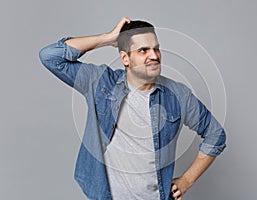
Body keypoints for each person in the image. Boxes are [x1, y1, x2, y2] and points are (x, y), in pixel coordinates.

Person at [39, 17, 226, 200]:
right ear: (125, 58)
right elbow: (50, 57)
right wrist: (107, 38)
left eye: (156, 49)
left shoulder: (178, 95)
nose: (154, 56)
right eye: (143, 50)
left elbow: (216, 135)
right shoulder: (100, 83)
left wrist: (187, 180)